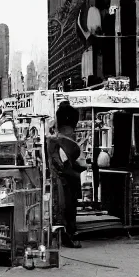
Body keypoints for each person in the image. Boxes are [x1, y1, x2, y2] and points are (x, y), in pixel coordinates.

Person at [48, 101, 87, 248]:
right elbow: (69, 165)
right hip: (67, 181)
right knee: (68, 210)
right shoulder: (65, 144)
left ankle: (66, 234)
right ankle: (68, 236)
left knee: (64, 210)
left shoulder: (54, 142)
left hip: (63, 180)